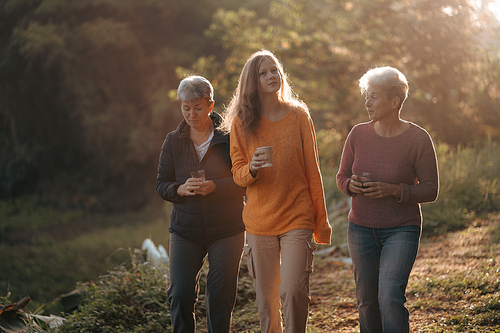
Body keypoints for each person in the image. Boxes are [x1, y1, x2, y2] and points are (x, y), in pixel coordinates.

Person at [221, 50, 332, 333]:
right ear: (252, 81)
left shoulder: (298, 116)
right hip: (260, 223)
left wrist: (321, 221)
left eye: (275, 70)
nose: (272, 75)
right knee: (267, 301)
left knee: (293, 291)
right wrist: (252, 169)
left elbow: (313, 171)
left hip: (297, 216)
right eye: (263, 72)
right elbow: (237, 174)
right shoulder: (241, 123)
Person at [336, 66, 439, 333]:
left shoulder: (418, 138)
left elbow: (430, 189)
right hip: (360, 228)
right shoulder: (358, 134)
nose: (367, 103)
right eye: (366, 96)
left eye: (373, 97)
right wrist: (351, 185)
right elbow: (342, 177)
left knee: (390, 297)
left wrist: (394, 190)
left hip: (402, 228)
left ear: (394, 101)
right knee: (367, 301)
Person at [156, 75, 246, 333]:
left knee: (220, 298)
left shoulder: (230, 136)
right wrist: (180, 189)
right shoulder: (173, 141)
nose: (192, 114)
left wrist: (216, 186)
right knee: (180, 294)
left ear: (210, 104)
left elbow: (245, 181)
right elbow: (161, 184)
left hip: (227, 230)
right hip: (185, 231)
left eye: (198, 108)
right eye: (186, 108)